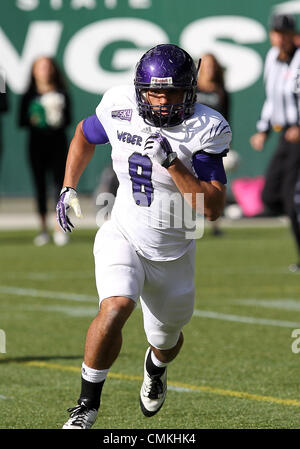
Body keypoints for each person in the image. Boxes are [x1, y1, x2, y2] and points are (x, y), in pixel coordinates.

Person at [56, 44, 231, 429]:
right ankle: (86, 405)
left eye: (173, 93)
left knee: (166, 342)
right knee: (116, 305)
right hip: (123, 232)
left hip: (173, 250)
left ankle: (154, 368)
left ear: (190, 92)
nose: (164, 102)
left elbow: (213, 207)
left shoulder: (206, 127)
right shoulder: (119, 105)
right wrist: (68, 186)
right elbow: (84, 135)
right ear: (140, 90)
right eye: (155, 92)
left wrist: (173, 163)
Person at [250, 13, 300, 272]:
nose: (280, 38)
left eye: (285, 33)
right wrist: (263, 130)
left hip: (298, 136)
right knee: (271, 194)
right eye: (276, 32)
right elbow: (272, 99)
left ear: (293, 35)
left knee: (293, 200)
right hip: (285, 135)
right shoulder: (272, 58)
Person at [19, 56, 71, 246]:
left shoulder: (62, 93)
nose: (44, 71)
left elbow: (68, 119)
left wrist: (56, 118)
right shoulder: (29, 95)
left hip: (57, 144)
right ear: (34, 71)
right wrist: (36, 118)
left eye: (47, 67)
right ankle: (43, 229)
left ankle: (60, 227)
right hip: (37, 145)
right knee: (39, 186)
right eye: (40, 68)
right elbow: (21, 121)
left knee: (59, 185)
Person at [196, 53, 233, 235]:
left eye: (212, 65)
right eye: (206, 65)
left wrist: (227, 145)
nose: (209, 69)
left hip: (212, 146)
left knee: (215, 183)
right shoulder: (192, 90)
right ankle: (188, 222)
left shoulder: (221, 91)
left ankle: (216, 225)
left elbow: (227, 120)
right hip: (193, 143)